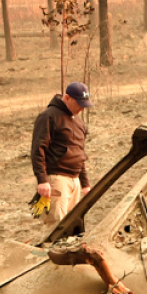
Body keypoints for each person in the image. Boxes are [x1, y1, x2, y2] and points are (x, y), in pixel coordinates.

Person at [31, 82, 93, 225]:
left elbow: (79, 153)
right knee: (57, 228)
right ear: (67, 98)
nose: (82, 108)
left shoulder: (79, 123)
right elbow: (38, 149)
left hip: (75, 181)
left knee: (72, 228)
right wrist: (42, 180)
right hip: (56, 180)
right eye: (79, 103)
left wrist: (85, 184)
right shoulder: (48, 117)